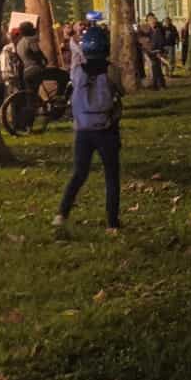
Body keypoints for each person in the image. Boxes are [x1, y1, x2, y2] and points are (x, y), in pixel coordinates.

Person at [55, 25, 125, 231]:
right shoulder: (112, 70)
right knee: (111, 175)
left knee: (79, 173)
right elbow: (121, 91)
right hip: (106, 129)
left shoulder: (77, 71)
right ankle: (112, 223)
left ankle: (61, 213)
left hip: (83, 130)